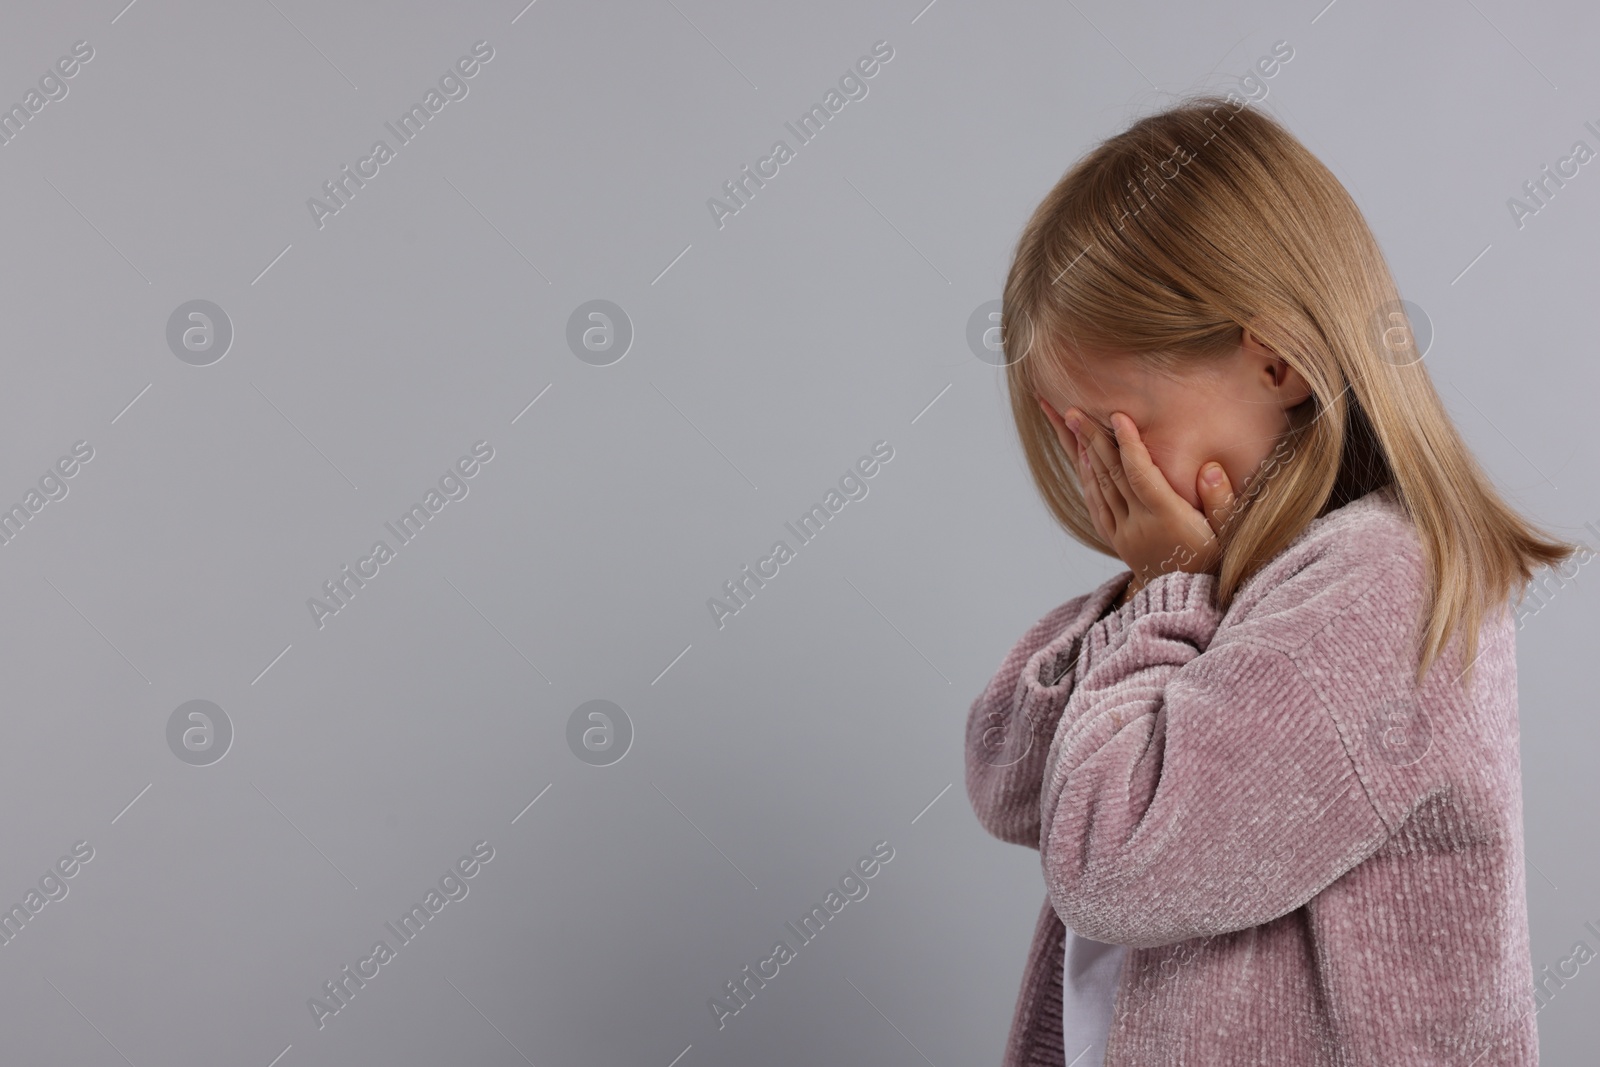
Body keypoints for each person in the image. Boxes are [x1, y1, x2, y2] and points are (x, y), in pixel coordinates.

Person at [964, 93, 1578, 1066]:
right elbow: (1008, 780)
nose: (1107, 478)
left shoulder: (1380, 583)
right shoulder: (1219, 590)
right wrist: (1151, 593)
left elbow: (1116, 861)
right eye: (1078, 443)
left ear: (1277, 363)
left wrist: (1166, 584)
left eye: (1120, 430)